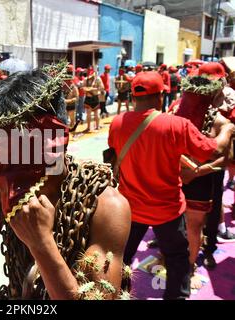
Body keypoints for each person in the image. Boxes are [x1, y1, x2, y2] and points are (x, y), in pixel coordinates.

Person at [0, 64, 132, 300]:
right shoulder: (2, 190)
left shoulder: (107, 207)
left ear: (57, 139)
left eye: (26, 143)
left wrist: (41, 243)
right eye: (3, 148)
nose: (13, 160)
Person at [109, 71, 234, 300]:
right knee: (177, 258)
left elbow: (115, 156)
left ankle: (119, 294)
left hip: (130, 208)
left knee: (122, 257)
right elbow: (213, 150)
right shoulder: (176, 125)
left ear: (133, 97)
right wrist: (227, 130)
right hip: (167, 210)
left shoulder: (116, 123)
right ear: (161, 97)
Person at [172, 63, 235, 284]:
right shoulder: (175, 110)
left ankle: (190, 264)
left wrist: (196, 172)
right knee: (177, 223)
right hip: (176, 178)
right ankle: (179, 261)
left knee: (193, 224)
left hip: (200, 180)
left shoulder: (220, 119)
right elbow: (167, 143)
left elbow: (224, 157)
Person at [83, 67, 104, 132]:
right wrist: (88, 89)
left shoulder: (97, 79)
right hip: (89, 97)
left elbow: (102, 88)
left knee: (96, 113)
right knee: (89, 114)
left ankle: (96, 126)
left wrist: (92, 89)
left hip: (94, 97)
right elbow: (84, 89)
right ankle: (89, 127)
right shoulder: (86, 79)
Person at [63, 66, 80, 131]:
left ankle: (73, 133)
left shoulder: (73, 86)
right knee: (65, 120)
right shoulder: (62, 85)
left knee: (72, 119)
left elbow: (76, 97)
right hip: (64, 106)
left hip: (71, 105)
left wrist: (68, 101)